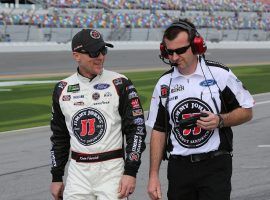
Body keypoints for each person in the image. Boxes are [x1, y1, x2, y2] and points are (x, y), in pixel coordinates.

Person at [146, 19, 254, 200]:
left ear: (196, 46)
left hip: (215, 165)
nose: (174, 57)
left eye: (180, 51)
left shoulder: (220, 75)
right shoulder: (164, 84)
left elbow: (247, 111)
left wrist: (220, 120)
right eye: (169, 52)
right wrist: (153, 175)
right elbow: (159, 130)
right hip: (178, 169)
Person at [50, 29, 146, 200]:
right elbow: (59, 136)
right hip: (77, 173)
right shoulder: (62, 88)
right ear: (76, 55)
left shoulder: (120, 83)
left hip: (112, 171)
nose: (100, 56)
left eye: (103, 50)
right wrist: (56, 176)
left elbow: (136, 129)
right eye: (94, 52)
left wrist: (130, 171)